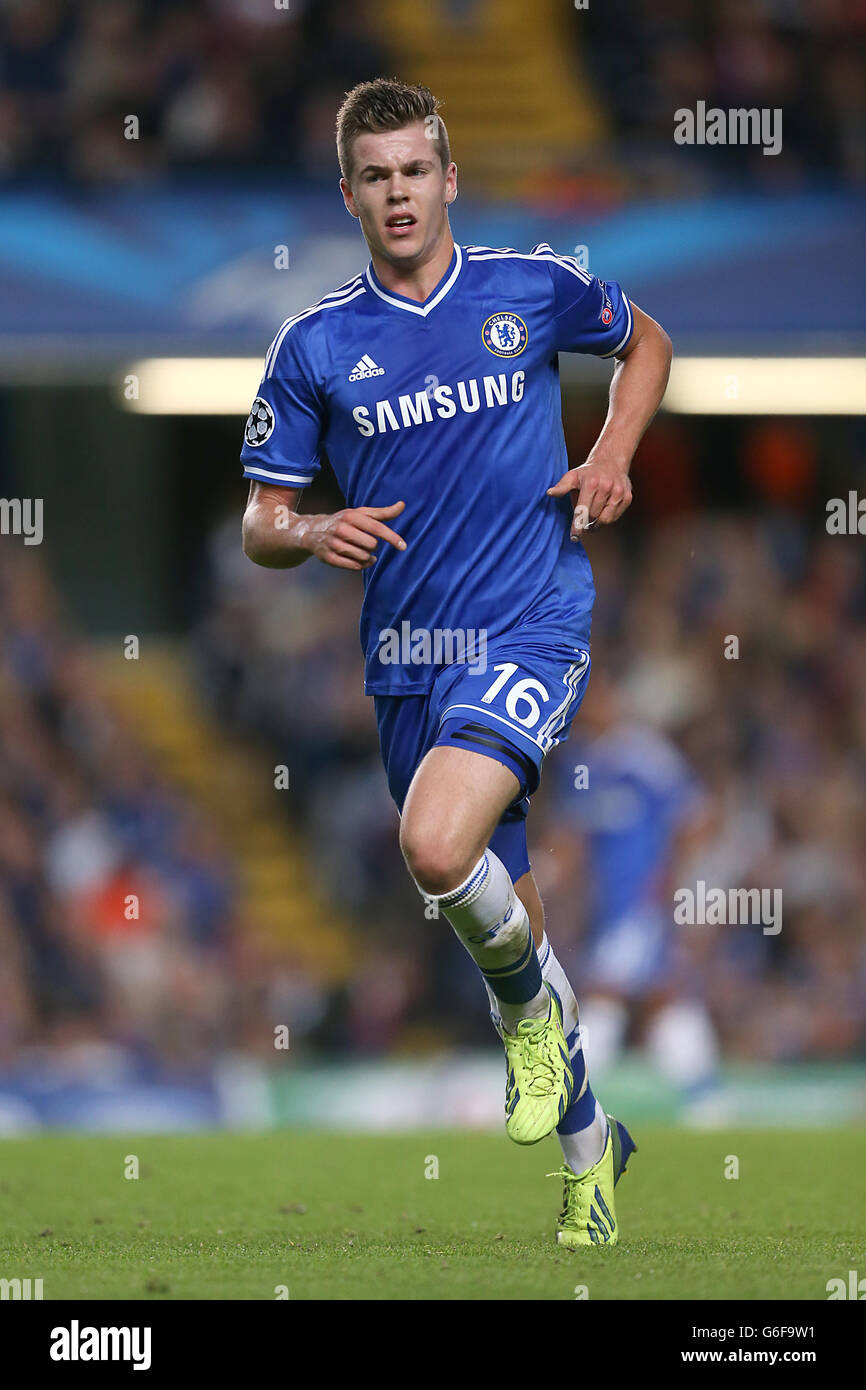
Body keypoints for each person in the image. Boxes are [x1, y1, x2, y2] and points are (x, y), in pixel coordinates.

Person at [240, 78, 672, 1246]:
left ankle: (531, 1031)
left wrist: (610, 455)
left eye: (413, 171)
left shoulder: (527, 288)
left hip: (530, 622)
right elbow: (260, 520)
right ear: (348, 193)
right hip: (406, 667)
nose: (397, 192)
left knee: (434, 847)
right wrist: (308, 530)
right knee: (509, 934)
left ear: (445, 179)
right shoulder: (315, 344)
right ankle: (594, 1154)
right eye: (374, 176)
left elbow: (644, 343)